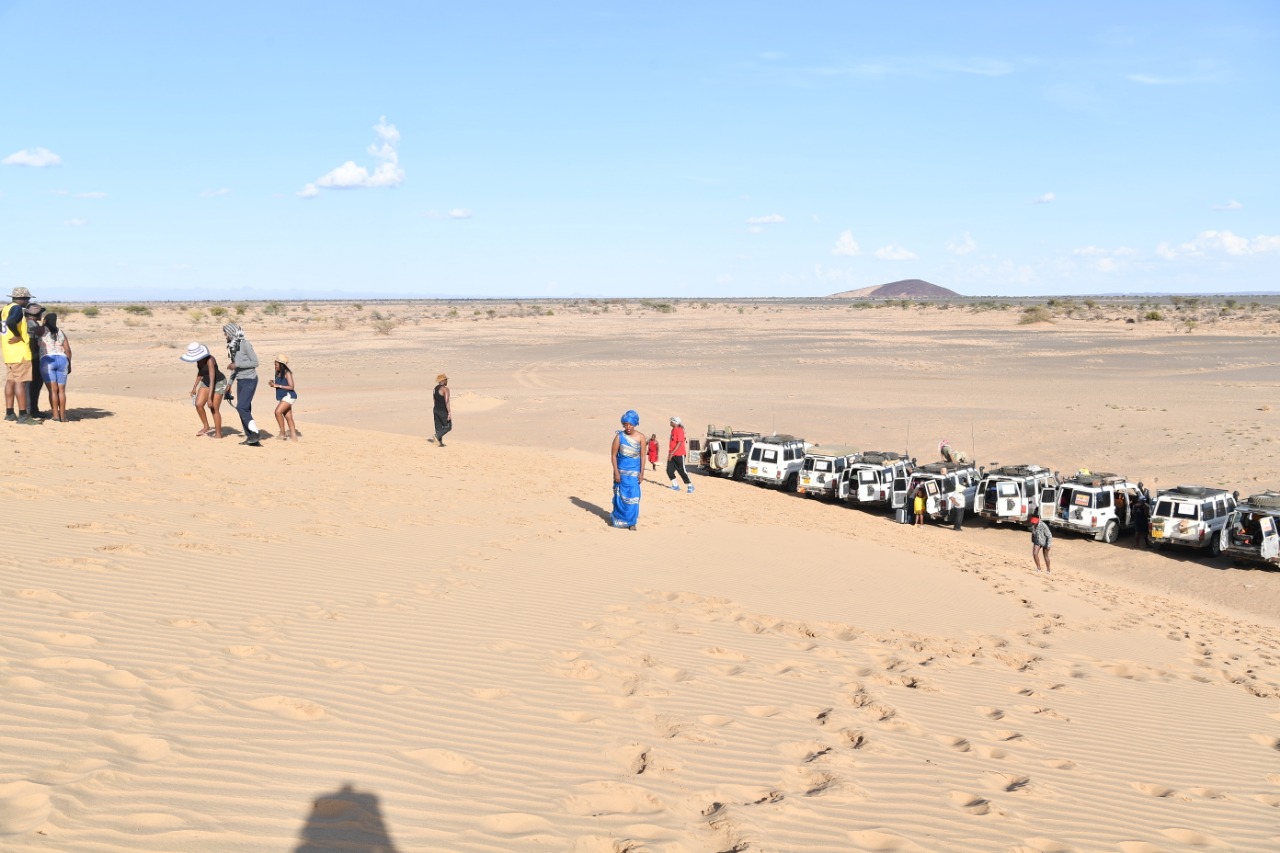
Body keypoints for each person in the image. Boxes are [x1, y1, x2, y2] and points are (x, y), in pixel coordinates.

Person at [3, 287, 38, 424]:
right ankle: (23, 415)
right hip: (20, 353)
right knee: (20, 383)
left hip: (8, 352)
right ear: (22, 299)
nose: (28, 302)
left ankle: (9, 413)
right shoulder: (17, 309)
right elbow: (11, 322)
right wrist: (17, 335)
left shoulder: (5, 309)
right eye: (27, 299)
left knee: (10, 381)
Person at [223, 323, 261, 446]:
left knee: (241, 407)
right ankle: (251, 438)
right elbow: (235, 368)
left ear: (232, 333)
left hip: (250, 380)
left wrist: (237, 364)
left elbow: (255, 362)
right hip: (240, 381)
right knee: (245, 409)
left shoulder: (245, 344)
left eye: (226, 333)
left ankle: (255, 433)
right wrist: (229, 383)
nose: (225, 336)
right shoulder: (233, 347)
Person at [181, 342, 227, 438]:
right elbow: (200, 373)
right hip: (206, 381)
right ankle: (206, 426)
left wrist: (209, 398)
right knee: (198, 404)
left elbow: (212, 380)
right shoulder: (199, 360)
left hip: (218, 382)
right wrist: (194, 387)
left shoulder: (210, 360)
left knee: (213, 408)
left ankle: (218, 434)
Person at [611, 410, 644, 529]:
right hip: (621, 472)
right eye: (625, 424)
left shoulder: (641, 437)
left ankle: (631, 522)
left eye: (630, 424)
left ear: (635, 424)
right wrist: (616, 472)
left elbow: (643, 456)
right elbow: (613, 455)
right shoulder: (619, 437)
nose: (628, 427)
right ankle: (620, 519)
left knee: (634, 496)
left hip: (634, 472)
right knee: (621, 497)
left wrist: (642, 473)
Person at [37, 312, 72, 423]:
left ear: (45, 320)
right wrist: (69, 364)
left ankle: (55, 415)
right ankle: (63, 416)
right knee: (61, 390)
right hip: (62, 359)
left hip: (47, 359)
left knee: (53, 390)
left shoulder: (41, 330)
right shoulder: (61, 332)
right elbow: (67, 349)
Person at [268, 355, 298, 441]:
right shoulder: (278, 373)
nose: (275, 366)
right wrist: (272, 383)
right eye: (275, 364)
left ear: (281, 364)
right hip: (283, 396)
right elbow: (280, 383)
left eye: (276, 364)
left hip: (289, 396)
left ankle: (282, 433)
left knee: (277, 412)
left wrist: (278, 385)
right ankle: (294, 437)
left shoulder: (287, 373)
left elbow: (291, 387)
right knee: (288, 416)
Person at [25, 302, 46, 419]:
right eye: (40, 313)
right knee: (33, 385)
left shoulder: (29, 323)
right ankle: (30, 410)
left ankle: (33, 409)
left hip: (32, 357)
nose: (41, 315)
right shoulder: (32, 324)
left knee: (34, 385)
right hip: (33, 358)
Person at [667, 416, 693, 493]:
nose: (670, 422)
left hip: (679, 454)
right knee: (669, 470)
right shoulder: (673, 430)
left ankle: (690, 485)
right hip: (672, 454)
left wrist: (672, 453)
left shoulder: (679, 430)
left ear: (675, 423)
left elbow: (679, 443)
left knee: (682, 470)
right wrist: (670, 453)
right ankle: (675, 486)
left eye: (672, 421)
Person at [432, 373, 452, 446]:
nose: (447, 381)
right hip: (443, 411)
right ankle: (436, 436)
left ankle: (439, 443)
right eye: (446, 379)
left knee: (438, 428)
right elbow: (447, 402)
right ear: (443, 380)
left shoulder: (435, 389)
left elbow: (434, 400)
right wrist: (449, 412)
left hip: (436, 409)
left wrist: (436, 409)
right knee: (448, 427)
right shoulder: (445, 389)